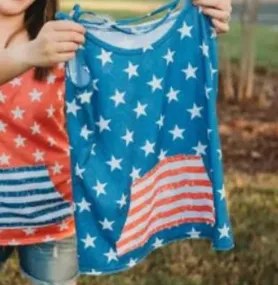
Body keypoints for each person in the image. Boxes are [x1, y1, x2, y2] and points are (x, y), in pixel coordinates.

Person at [0, 0, 232, 284]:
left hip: (55, 213)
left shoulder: (64, 36)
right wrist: (27, 54)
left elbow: (136, 63)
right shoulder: (44, 44)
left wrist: (197, 23)